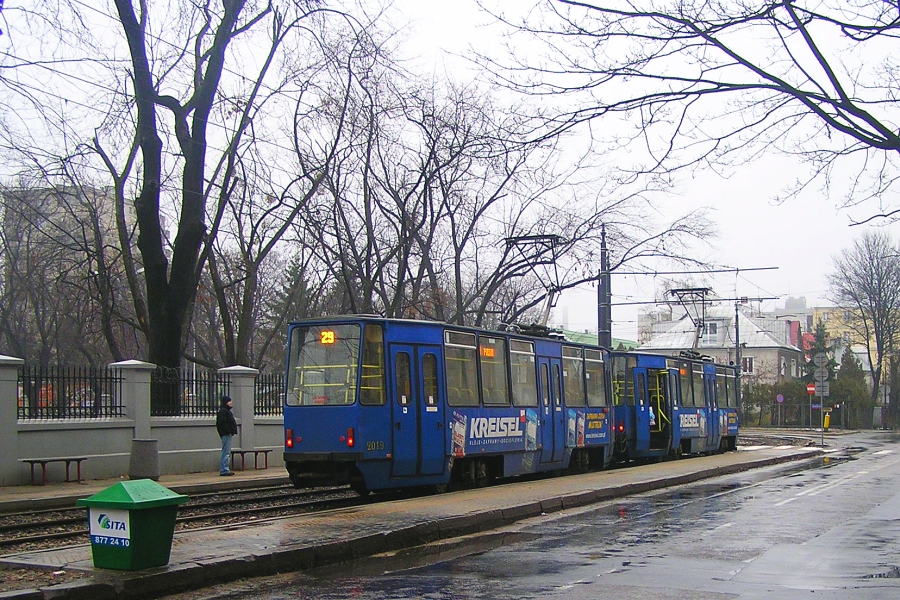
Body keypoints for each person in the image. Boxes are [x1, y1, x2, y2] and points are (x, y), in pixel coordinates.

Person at [216, 395, 238, 476]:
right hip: (226, 434)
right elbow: (222, 423)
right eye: (229, 401)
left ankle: (225, 469)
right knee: (226, 452)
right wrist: (229, 431)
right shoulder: (223, 411)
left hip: (226, 433)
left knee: (226, 451)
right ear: (226, 402)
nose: (230, 402)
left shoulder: (225, 411)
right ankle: (224, 469)